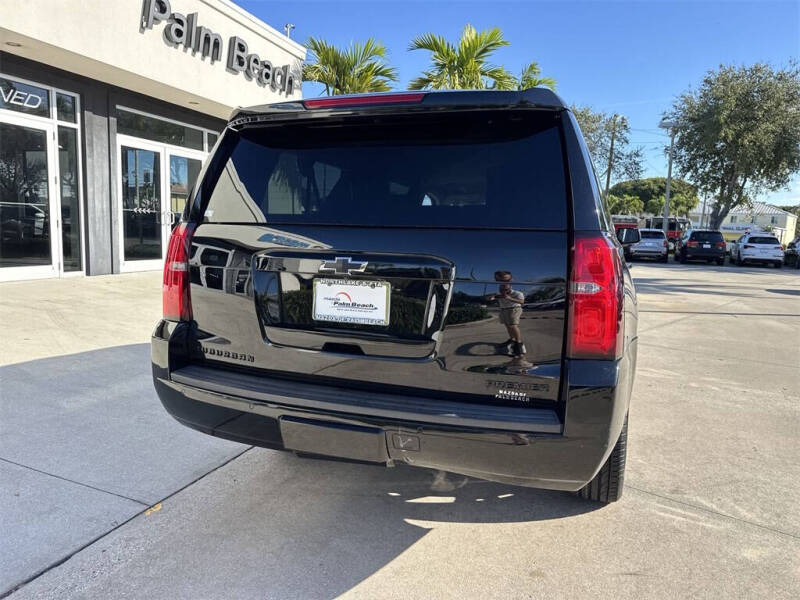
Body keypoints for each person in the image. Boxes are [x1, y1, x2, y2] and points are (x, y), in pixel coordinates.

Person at [489, 270, 526, 357]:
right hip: (503, 310)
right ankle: (512, 340)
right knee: (507, 326)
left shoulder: (517, 293)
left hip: (514, 309)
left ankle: (519, 344)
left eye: (507, 281)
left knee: (513, 326)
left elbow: (522, 302)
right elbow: (490, 298)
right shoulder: (498, 294)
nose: (504, 285)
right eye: (500, 281)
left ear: (511, 281)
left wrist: (509, 298)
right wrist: (492, 297)